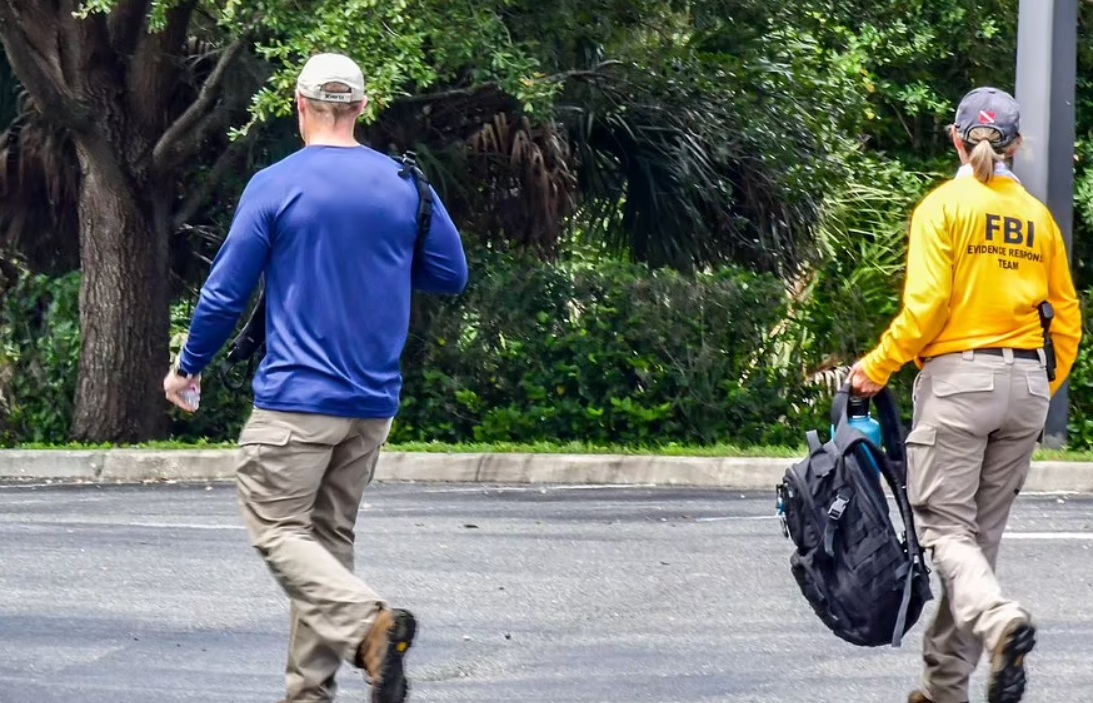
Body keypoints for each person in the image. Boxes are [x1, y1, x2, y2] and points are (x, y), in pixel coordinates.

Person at [162, 52, 469, 703]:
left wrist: (188, 368)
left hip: (297, 402)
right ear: (361, 108)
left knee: (277, 530)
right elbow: (450, 273)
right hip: (371, 404)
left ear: (300, 106)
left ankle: (370, 625)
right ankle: (309, 693)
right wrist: (375, 259)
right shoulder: (406, 182)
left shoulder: (277, 183)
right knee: (326, 548)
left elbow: (224, 293)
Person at [847, 86, 1082, 703]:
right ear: (1017, 146)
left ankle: (1001, 620)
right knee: (975, 547)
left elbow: (926, 308)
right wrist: (1037, 387)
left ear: (956, 137)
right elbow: (1067, 320)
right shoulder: (1038, 219)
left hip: (959, 383)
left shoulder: (943, 207)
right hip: (1027, 384)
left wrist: (878, 366)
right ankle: (944, 686)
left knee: (946, 534)